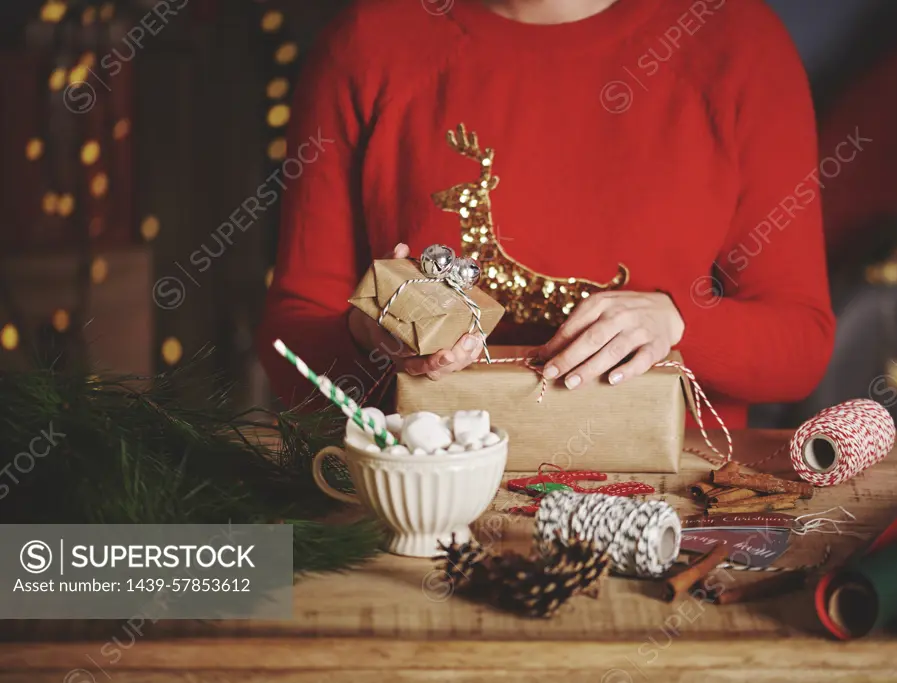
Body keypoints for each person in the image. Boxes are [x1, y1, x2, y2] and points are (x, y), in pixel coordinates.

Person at [257, 0, 836, 428]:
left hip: (676, 501)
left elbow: (801, 347)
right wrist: (365, 338)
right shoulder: (368, 42)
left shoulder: (736, 41)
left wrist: (678, 325)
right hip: (427, 492)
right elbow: (292, 329)